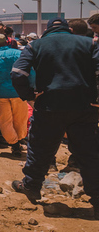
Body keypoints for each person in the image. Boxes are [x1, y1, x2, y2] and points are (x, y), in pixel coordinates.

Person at [9, 17, 99, 218]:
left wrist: (30, 96)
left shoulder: (35, 45)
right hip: (84, 108)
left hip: (49, 106)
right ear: (69, 30)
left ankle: (31, 186)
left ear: (48, 30)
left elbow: (17, 73)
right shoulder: (90, 43)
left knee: (40, 149)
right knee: (90, 154)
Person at [0, 34, 29, 156]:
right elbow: (29, 70)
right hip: (18, 92)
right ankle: (20, 139)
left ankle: (14, 145)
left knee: (5, 121)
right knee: (20, 118)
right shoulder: (18, 54)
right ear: (6, 42)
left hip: (0, 93)